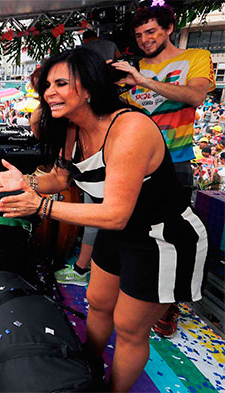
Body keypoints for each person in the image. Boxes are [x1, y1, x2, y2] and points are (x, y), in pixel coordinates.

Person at [0, 47, 207, 392]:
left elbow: (116, 213)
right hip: (117, 231)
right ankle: (89, 363)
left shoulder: (129, 128)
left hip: (162, 239)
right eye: (46, 85)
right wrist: (25, 181)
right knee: (99, 302)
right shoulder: (71, 129)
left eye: (60, 83)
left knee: (129, 326)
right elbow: (61, 179)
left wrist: (40, 207)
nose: (48, 93)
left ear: (88, 88)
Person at [113, 5, 215, 338]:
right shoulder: (131, 69)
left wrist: (144, 81)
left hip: (177, 161)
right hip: (135, 163)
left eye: (152, 32)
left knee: (171, 236)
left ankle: (168, 308)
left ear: (170, 28)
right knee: (130, 229)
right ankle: (130, 295)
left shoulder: (195, 57)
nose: (145, 40)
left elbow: (196, 95)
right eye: (140, 35)